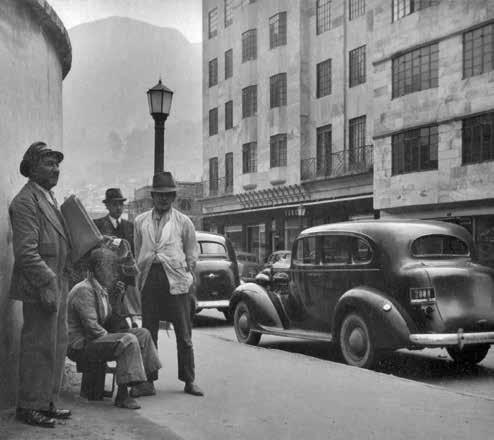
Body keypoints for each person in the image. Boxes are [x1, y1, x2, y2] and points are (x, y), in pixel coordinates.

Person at [9, 141, 72, 428]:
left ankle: (46, 402)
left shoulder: (48, 198)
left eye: (57, 163)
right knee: (37, 346)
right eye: (49, 163)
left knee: (55, 345)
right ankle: (29, 406)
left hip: (57, 283)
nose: (56, 168)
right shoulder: (25, 202)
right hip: (40, 286)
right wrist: (47, 282)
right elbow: (26, 253)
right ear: (32, 168)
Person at [134, 171, 203, 396]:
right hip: (150, 278)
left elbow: (192, 254)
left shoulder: (184, 222)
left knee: (184, 334)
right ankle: (148, 381)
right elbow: (138, 251)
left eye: (168, 195)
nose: (163, 199)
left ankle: (189, 380)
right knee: (148, 333)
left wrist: (189, 281)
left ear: (173, 197)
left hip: (176, 280)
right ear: (153, 196)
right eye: (159, 195)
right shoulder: (140, 221)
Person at [67, 247, 162, 409]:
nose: (114, 273)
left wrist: (116, 301)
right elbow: (93, 329)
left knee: (143, 334)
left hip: (95, 339)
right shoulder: (84, 290)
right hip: (80, 345)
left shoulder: (102, 289)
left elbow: (111, 322)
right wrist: (117, 339)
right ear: (98, 270)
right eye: (110, 268)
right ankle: (123, 396)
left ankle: (145, 382)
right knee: (127, 340)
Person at [94, 188, 140, 316]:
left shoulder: (130, 226)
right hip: (105, 280)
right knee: (105, 314)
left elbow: (133, 254)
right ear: (107, 206)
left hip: (126, 282)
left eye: (121, 204)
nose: (118, 207)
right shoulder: (97, 225)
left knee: (124, 316)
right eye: (114, 204)